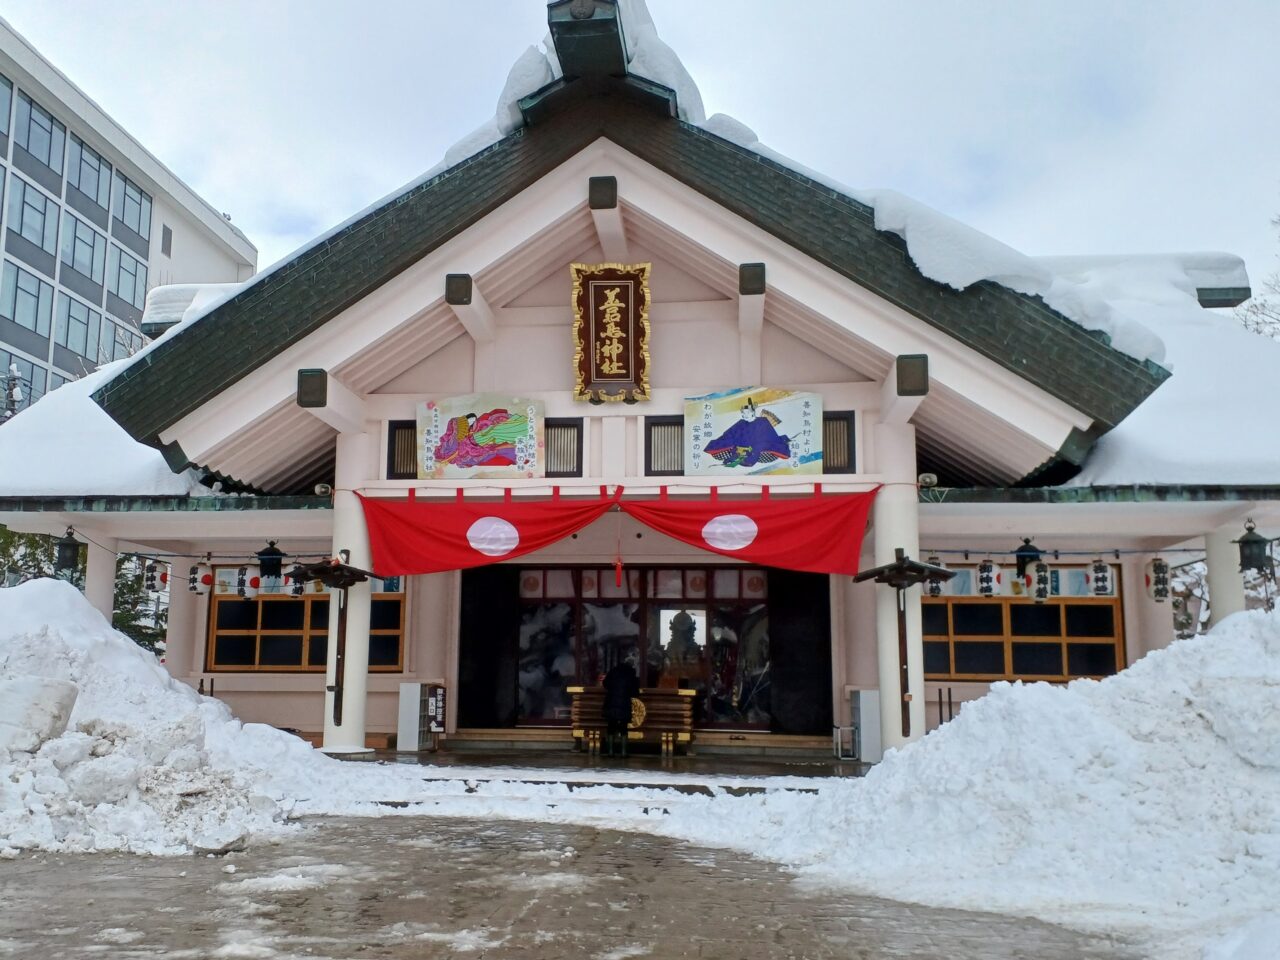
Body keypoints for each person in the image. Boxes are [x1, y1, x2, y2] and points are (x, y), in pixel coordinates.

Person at [601, 655, 640, 757]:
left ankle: (610, 752)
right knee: (623, 728)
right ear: (632, 664)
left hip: (611, 703)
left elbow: (605, 684)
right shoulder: (631, 673)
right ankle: (623, 752)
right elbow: (635, 692)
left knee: (611, 727)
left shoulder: (613, 671)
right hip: (624, 704)